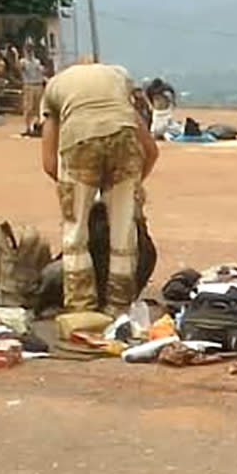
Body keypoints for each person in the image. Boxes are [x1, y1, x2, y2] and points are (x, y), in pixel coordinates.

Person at [39, 62, 159, 312]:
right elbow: (151, 151)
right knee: (124, 231)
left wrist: (77, 194)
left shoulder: (54, 89)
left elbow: (50, 163)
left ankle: (81, 308)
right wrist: (130, 186)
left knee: (75, 234)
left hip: (80, 140)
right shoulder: (117, 82)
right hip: (123, 139)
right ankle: (119, 308)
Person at [19, 41, 46, 134]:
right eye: (28, 49)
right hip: (29, 85)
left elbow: (41, 71)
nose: (29, 51)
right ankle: (28, 127)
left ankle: (38, 126)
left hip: (38, 85)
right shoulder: (23, 61)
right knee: (29, 107)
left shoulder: (37, 62)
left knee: (38, 107)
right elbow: (20, 68)